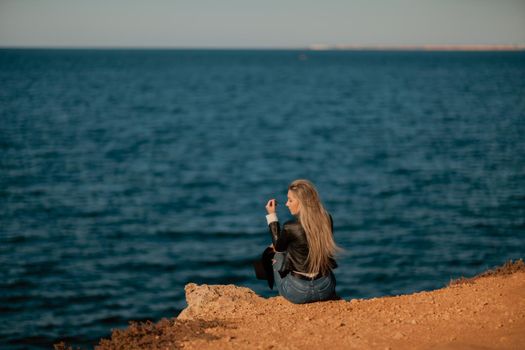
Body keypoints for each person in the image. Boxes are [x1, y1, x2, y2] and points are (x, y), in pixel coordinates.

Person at [264, 179, 340, 304]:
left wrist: (272, 215)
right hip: (325, 288)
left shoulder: (290, 226)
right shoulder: (327, 218)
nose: (287, 204)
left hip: (298, 292)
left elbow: (278, 247)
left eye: (290, 200)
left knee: (277, 254)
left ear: (303, 202)